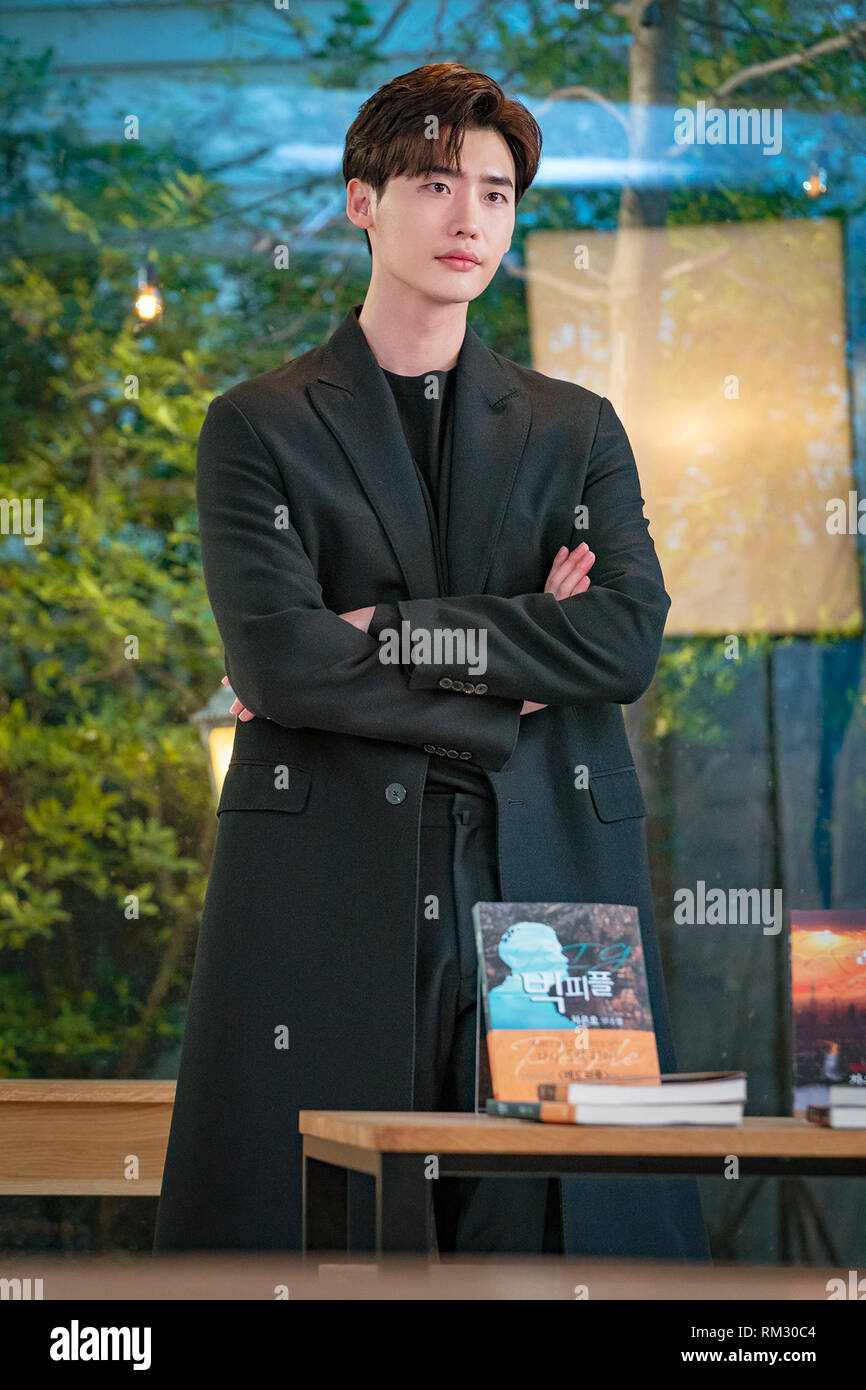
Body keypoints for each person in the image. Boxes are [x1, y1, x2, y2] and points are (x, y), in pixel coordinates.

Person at [153, 62, 710, 1259]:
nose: (470, 218)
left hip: (553, 868)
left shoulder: (574, 427)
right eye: (435, 184)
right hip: (333, 863)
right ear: (362, 201)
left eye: (496, 194)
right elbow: (284, 663)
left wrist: (388, 629)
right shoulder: (257, 424)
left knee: (560, 1224)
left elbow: (620, 639)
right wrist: (514, 664)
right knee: (329, 1229)